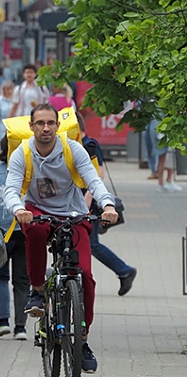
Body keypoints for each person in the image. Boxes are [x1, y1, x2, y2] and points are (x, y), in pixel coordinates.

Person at [2, 103, 118, 374]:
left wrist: (108, 204)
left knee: (85, 276)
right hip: (37, 212)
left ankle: (83, 339)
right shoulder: (23, 153)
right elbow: (11, 187)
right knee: (35, 230)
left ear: (57, 125)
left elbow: (93, 180)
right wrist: (18, 209)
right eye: (40, 123)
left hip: (72, 213)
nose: (46, 128)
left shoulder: (72, 149)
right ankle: (37, 290)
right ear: (31, 126)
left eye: (50, 123)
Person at [76, 112, 137, 296]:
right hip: (79, 202)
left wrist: (88, 196)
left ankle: (124, 270)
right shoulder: (77, 144)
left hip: (90, 202)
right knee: (84, 242)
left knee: (92, 243)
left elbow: (99, 173)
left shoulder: (89, 144)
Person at [0, 137, 30, 339]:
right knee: (22, 280)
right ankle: (21, 327)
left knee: (0, 276)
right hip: (26, 232)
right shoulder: (30, 169)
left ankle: (3, 321)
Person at [149, 117, 183, 193]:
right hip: (163, 130)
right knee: (166, 156)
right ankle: (167, 181)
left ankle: (162, 182)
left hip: (155, 129)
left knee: (161, 158)